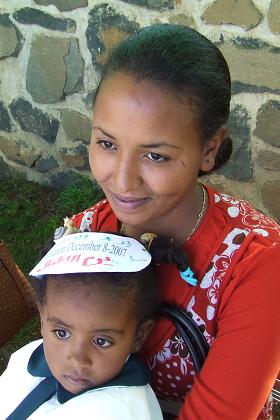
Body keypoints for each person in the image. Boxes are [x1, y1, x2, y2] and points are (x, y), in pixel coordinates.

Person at [64, 23, 280, 419]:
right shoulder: (85, 235)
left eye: (156, 155)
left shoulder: (256, 267)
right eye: (107, 144)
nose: (122, 180)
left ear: (209, 150)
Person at [1, 231, 186, 419]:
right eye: (61, 333)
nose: (77, 358)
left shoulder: (116, 412)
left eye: (101, 341)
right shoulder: (26, 358)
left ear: (139, 336)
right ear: (42, 318)